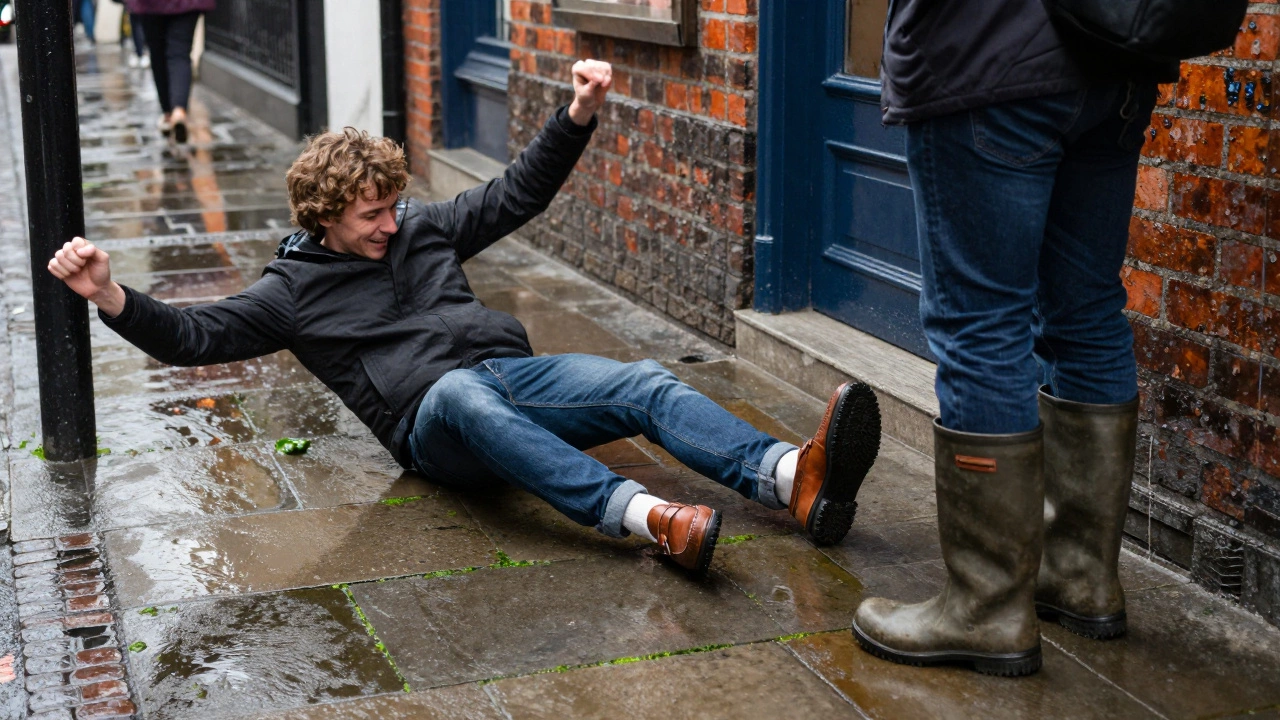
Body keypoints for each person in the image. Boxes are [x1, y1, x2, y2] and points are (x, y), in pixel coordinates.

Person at [47, 60, 883, 574]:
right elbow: (199, 338)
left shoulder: (422, 227)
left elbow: (516, 193)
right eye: (372, 214)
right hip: (434, 426)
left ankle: (789, 478)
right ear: (325, 215)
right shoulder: (291, 293)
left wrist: (578, 113)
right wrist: (111, 296)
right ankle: (646, 519)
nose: (391, 224)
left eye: (394, 206)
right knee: (459, 397)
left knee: (643, 382)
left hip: (513, 379)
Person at [847, 0, 1183, 677]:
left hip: (989, 54)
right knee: (1087, 312)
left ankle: (987, 607)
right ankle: (1081, 578)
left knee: (981, 321)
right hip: (1114, 61)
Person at [127, 0, 213, 143]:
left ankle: (168, 113)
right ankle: (179, 111)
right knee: (180, 54)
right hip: (187, 4)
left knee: (157, 54)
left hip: (152, 5)